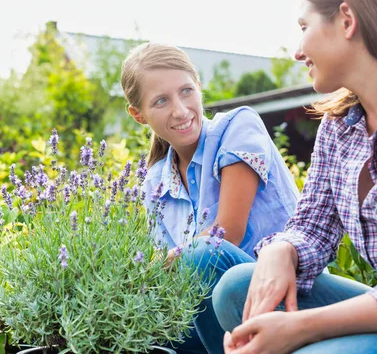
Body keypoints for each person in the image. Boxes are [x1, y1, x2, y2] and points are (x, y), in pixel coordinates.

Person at [212, 0, 377, 353]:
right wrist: (281, 250)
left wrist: (306, 327)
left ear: (346, 20)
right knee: (237, 288)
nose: (297, 51)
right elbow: (313, 226)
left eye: (304, 27)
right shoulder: (339, 126)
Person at [120, 42, 299, 353]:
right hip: (211, 320)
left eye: (186, 91)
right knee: (133, 323)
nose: (180, 109)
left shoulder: (238, 127)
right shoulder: (154, 183)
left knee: (204, 254)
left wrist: (163, 265)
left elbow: (226, 232)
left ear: (199, 87)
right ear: (139, 115)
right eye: (161, 101)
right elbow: (165, 280)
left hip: (284, 297)